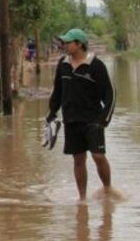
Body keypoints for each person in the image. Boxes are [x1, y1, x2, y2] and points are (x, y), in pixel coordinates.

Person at [46, 28, 116, 200]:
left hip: (93, 121)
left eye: (68, 42)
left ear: (79, 44)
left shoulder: (95, 65)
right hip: (71, 120)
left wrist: (103, 120)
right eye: (64, 42)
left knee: (98, 156)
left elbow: (110, 94)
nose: (65, 45)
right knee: (78, 159)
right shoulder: (63, 64)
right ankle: (82, 198)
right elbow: (57, 92)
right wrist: (52, 113)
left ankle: (107, 189)